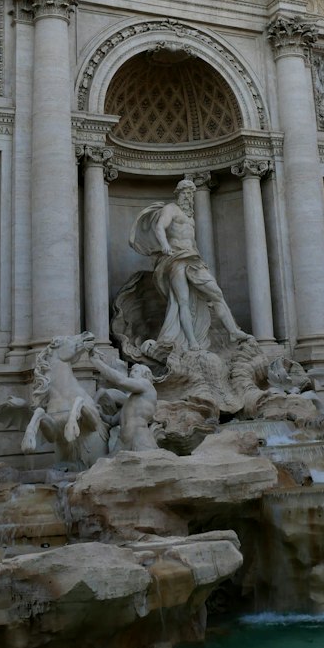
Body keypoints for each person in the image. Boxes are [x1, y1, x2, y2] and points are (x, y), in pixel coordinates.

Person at [129, 178, 251, 353]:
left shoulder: (190, 218)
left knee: (216, 293)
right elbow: (159, 227)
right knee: (183, 302)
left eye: (190, 193)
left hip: (193, 259)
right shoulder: (171, 209)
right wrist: (164, 244)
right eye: (185, 193)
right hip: (175, 259)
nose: (188, 197)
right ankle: (192, 341)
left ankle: (233, 331)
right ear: (178, 194)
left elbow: (192, 241)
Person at [90, 352, 160, 451]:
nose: (131, 373)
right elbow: (112, 421)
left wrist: (97, 362)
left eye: (135, 371)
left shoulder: (146, 385)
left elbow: (121, 381)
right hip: (122, 443)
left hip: (140, 439)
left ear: (145, 375)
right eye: (131, 371)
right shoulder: (131, 400)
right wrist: (101, 413)